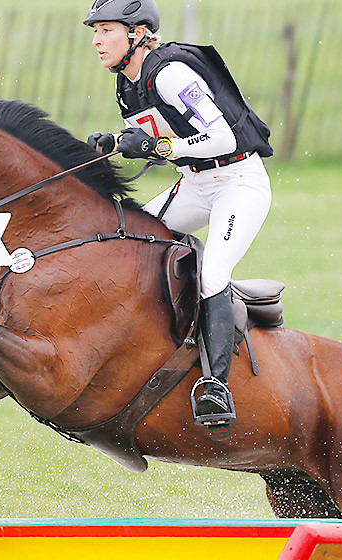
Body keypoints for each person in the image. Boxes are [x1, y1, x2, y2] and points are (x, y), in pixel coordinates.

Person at [83, 0, 273, 436]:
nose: (96, 41)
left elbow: (220, 135)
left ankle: (216, 385)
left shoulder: (169, 74)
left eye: (106, 30)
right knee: (125, 239)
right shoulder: (127, 87)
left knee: (212, 274)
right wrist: (117, 141)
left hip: (237, 183)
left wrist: (157, 149)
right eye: (94, 32)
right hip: (194, 185)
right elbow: (164, 135)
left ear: (137, 33)